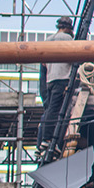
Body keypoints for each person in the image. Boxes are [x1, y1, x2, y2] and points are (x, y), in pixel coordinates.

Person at [37, 17, 77, 154]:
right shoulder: (68, 40)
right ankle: (48, 140)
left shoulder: (48, 40)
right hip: (62, 78)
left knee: (49, 110)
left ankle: (44, 142)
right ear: (68, 28)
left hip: (50, 79)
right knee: (58, 112)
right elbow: (78, 58)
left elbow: (43, 63)